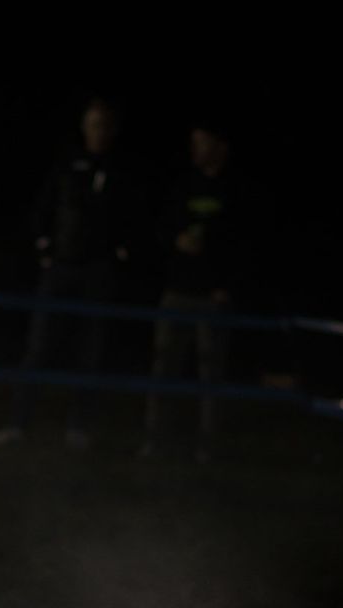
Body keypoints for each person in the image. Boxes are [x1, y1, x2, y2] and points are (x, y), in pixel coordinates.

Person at [0, 97, 141, 450]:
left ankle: (79, 426)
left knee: (91, 351)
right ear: (84, 127)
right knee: (39, 347)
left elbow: (134, 221)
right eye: (93, 124)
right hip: (60, 269)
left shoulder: (122, 171)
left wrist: (120, 256)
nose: (99, 132)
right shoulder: (66, 166)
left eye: (105, 125)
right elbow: (41, 209)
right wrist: (45, 248)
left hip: (98, 274)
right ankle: (18, 423)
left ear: (113, 131)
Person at [141, 122, 244, 462]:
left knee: (210, 374)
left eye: (203, 143)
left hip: (212, 298)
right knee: (163, 368)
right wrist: (176, 240)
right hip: (177, 292)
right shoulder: (182, 184)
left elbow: (245, 245)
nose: (196, 150)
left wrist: (226, 286)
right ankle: (154, 440)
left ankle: (207, 446)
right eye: (193, 143)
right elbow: (160, 229)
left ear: (221, 147)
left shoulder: (234, 188)